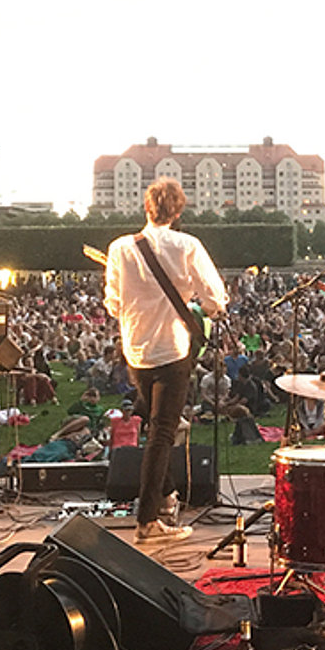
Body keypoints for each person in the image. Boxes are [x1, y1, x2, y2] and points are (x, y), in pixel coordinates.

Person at [103, 177, 228, 543]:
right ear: (178, 212)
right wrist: (202, 305)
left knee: (156, 427)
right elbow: (215, 300)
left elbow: (113, 305)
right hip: (172, 352)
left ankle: (168, 493)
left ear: (146, 207)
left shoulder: (119, 248)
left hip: (136, 352)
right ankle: (147, 521)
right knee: (162, 433)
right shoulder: (188, 246)